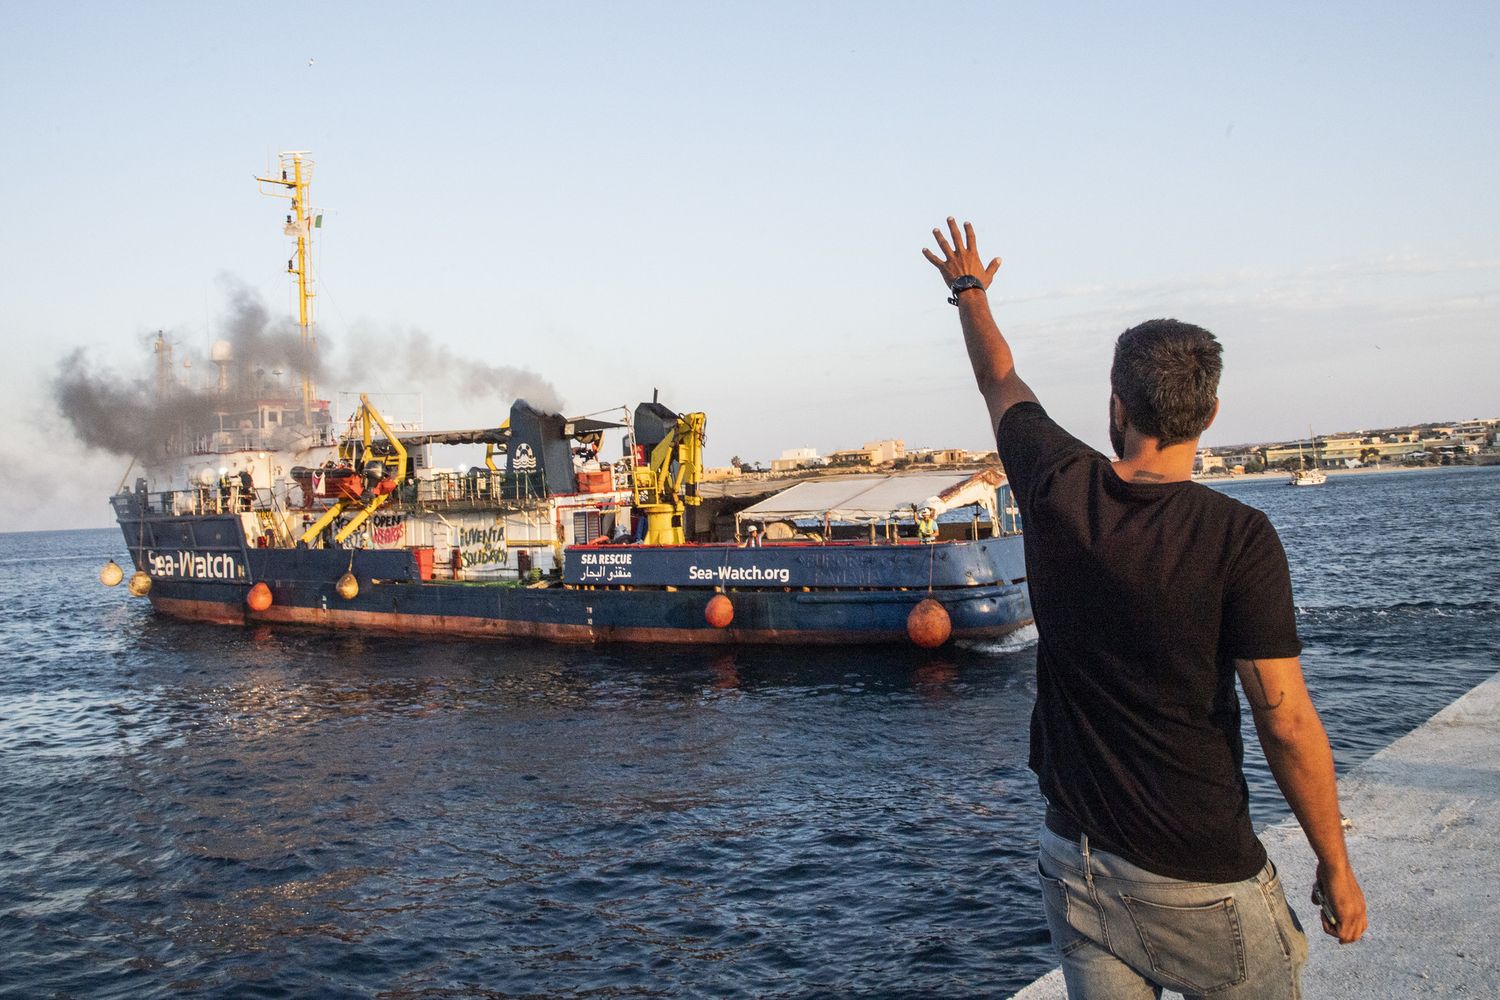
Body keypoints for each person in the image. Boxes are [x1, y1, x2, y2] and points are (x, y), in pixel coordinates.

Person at [924, 218, 1366, 998]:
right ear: (1213, 412)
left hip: (1076, 863)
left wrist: (971, 292)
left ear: (1116, 405)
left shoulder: (1058, 484)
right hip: (1198, 878)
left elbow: (1000, 379)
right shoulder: (1239, 538)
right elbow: (1285, 719)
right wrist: (1334, 864)